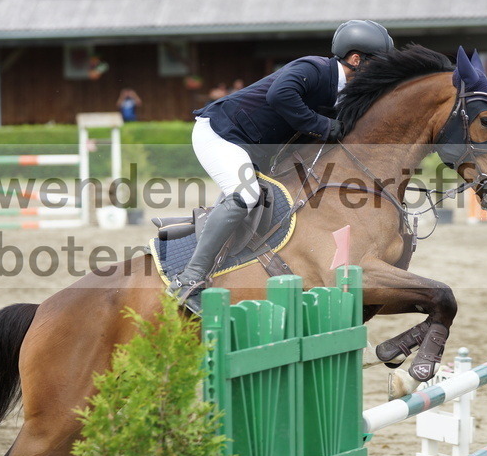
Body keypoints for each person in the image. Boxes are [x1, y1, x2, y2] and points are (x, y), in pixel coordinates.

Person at [167, 19, 395, 301]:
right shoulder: (313, 68)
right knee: (246, 194)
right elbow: (280, 95)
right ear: (356, 59)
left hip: (253, 148)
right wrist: (324, 126)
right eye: (378, 64)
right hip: (220, 133)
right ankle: (190, 277)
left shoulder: (342, 94)